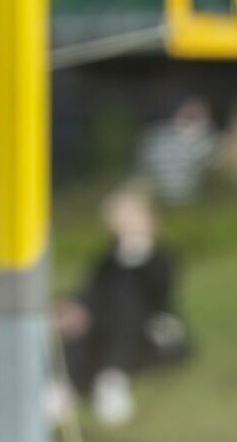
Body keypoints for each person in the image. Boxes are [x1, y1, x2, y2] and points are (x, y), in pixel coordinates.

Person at [53, 181, 190, 427]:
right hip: (104, 328)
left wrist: (135, 259)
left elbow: (160, 291)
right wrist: (73, 305)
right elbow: (91, 291)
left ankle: (112, 380)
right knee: (82, 331)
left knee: (125, 307)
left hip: (147, 329)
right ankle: (69, 385)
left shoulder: (160, 258)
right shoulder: (107, 262)